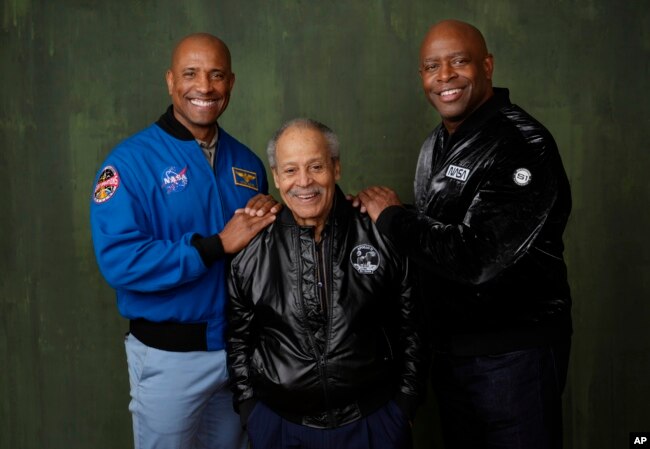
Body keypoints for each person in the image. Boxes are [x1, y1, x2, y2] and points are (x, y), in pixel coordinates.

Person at [357, 20, 572, 449]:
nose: (445, 77)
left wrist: (394, 219)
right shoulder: (435, 144)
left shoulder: (522, 143)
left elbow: (479, 256)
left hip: (513, 356)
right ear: (422, 77)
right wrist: (366, 216)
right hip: (452, 354)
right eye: (432, 67)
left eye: (459, 62)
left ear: (487, 66)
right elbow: (443, 228)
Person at [90, 33, 279, 449]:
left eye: (216, 75)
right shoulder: (128, 164)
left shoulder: (247, 163)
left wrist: (274, 219)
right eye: (191, 74)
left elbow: (258, 264)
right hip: (167, 360)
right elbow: (120, 260)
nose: (205, 87)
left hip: (237, 356)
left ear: (231, 83)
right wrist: (214, 246)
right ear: (171, 81)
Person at [227, 118, 425, 449]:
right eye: (290, 171)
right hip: (282, 427)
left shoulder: (379, 232)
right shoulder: (251, 248)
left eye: (316, 166)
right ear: (276, 177)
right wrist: (251, 411)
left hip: (373, 423)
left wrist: (404, 406)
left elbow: (414, 327)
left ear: (336, 168)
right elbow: (238, 339)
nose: (304, 182)